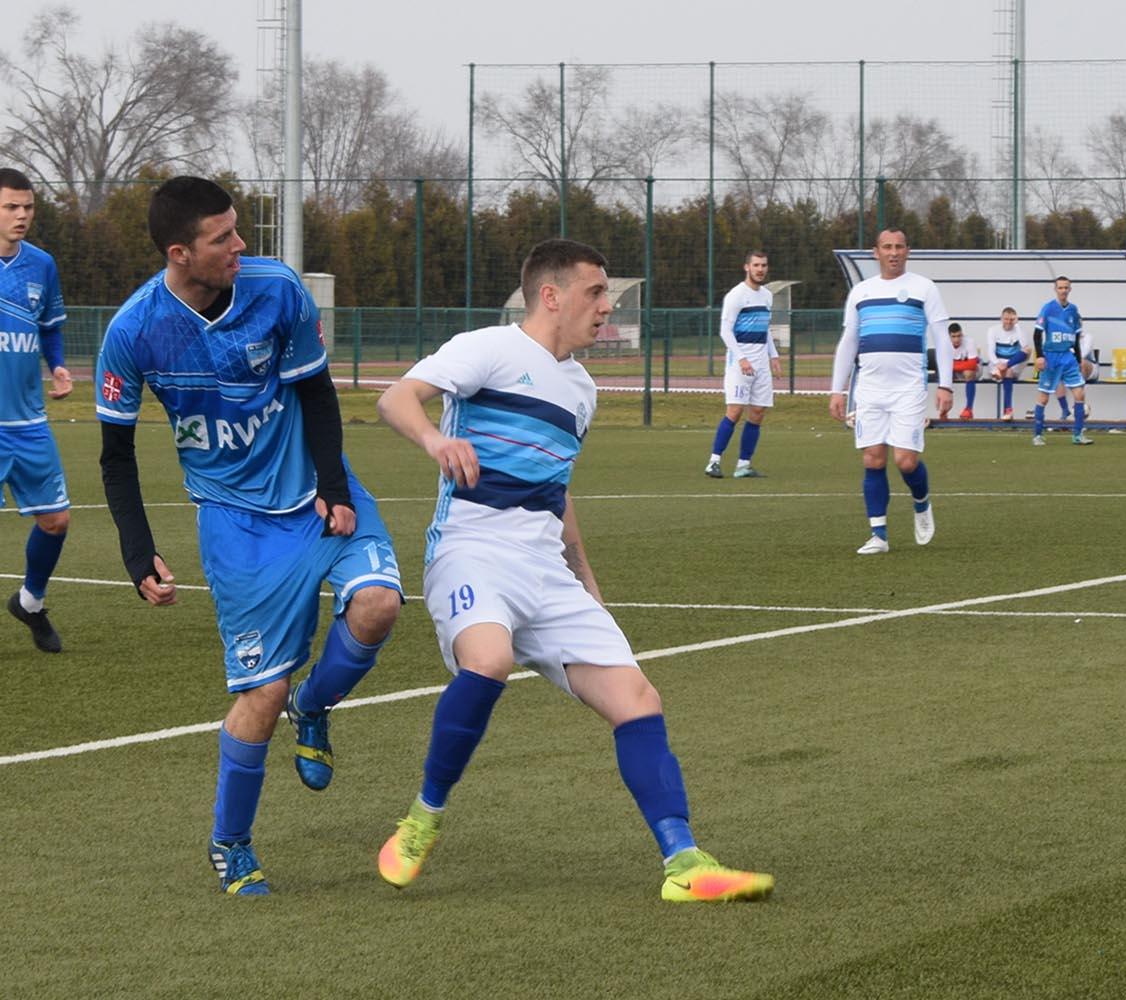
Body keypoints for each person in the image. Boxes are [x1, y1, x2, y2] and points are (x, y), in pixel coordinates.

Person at [375, 238, 773, 902]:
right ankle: (422, 818)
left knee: (638, 700)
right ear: (551, 295)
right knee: (488, 660)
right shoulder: (488, 348)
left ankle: (684, 863)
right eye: (595, 292)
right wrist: (436, 439)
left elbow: (556, 494)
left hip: (545, 571)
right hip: (471, 550)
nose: (607, 306)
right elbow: (396, 399)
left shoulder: (582, 390)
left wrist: (586, 581)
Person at [96, 176, 403, 895]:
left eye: (237, 229)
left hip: (313, 490)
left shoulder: (277, 289)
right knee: (262, 694)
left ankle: (315, 706)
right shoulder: (134, 330)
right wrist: (138, 551)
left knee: (379, 604)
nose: (240, 245)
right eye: (222, 237)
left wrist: (333, 486)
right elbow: (115, 455)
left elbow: (316, 391)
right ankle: (230, 842)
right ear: (180, 252)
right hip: (235, 522)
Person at [829, 229, 952, 554]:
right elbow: (849, 341)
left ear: (907, 251)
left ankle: (921, 501)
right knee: (873, 458)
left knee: (906, 462)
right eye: (887, 247)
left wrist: (945, 385)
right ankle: (878, 535)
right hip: (869, 389)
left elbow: (942, 338)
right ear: (876, 252)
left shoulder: (923, 288)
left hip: (908, 389)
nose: (893, 252)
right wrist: (837, 390)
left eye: (899, 247)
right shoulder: (861, 292)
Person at [0, 168, 72, 654]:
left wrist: (59, 365)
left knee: (56, 521)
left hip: (28, 422)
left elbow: (50, 327)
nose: (22, 215)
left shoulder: (41, 264)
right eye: (11, 206)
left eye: (27, 207)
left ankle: (30, 601)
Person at [705, 250, 781, 479]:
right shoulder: (736, 295)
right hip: (740, 363)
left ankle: (743, 465)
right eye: (756, 265)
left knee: (757, 412)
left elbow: (765, 329)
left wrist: (774, 356)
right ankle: (714, 461)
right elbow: (725, 331)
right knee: (735, 411)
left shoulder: (767, 296)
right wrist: (741, 358)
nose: (760, 269)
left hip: (761, 363)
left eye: (763, 265)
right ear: (747, 267)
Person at [1031, 275, 1091, 446]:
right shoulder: (1048, 308)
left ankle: (1078, 435)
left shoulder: (1073, 310)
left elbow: (1077, 337)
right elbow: (1037, 334)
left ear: (1070, 289)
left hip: (1068, 356)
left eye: (1066, 288)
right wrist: (1040, 356)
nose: (1063, 291)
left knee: (1079, 393)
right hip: (1051, 356)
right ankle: (1037, 435)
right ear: (1055, 289)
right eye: (1060, 288)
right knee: (1044, 397)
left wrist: (1078, 359)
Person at [985, 307, 1031, 419]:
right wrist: (998, 364)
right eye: (1006, 319)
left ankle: (1008, 411)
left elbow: (1025, 346)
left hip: (1012, 365)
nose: (1009, 322)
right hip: (997, 365)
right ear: (1001, 318)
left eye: (1011, 319)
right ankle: (1008, 410)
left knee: (1027, 350)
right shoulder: (993, 330)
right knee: (1007, 372)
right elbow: (990, 352)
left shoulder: (1019, 331)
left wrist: (1017, 325)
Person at [944, 322, 983, 420]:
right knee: (945, 375)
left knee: (968, 372)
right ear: (949, 337)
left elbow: (972, 364)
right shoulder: (944, 343)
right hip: (958, 370)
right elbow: (943, 366)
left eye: (959, 336)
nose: (957, 339)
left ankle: (969, 409)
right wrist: (952, 366)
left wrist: (952, 365)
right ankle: (943, 410)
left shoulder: (969, 341)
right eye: (954, 336)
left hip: (975, 370)